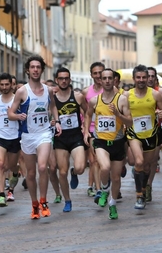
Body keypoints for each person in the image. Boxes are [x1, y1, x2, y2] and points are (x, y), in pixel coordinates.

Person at [8, 55, 62, 219]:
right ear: (27, 70)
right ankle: (34, 205)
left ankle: (44, 201)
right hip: (28, 136)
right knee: (31, 174)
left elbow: (52, 105)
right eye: (32, 67)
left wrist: (57, 121)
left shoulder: (48, 90)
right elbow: (10, 113)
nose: (35, 70)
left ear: (42, 70)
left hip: (44, 133)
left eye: (38, 67)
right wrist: (17, 117)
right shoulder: (22, 91)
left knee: (42, 167)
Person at [83, 68, 132, 219]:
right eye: (104, 78)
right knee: (104, 167)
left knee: (116, 178)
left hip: (118, 142)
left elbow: (130, 123)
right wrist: (86, 132)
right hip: (101, 141)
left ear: (114, 80)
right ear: (100, 80)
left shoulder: (121, 100)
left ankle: (112, 203)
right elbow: (87, 115)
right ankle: (104, 189)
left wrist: (118, 114)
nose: (107, 81)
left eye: (110, 78)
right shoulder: (94, 101)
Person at [123, 64, 162, 209]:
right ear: (134, 79)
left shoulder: (155, 95)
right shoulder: (127, 95)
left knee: (147, 167)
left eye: (144, 77)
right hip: (134, 133)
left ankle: (145, 188)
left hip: (151, 133)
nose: (141, 80)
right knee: (139, 162)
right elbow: (123, 113)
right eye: (138, 77)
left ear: (148, 78)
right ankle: (139, 196)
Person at [53, 67, 88, 212]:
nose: (63, 81)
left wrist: (85, 128)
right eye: (61, 78)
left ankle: (74, 173)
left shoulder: (78, 96)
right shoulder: (52, 98)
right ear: (57, 80)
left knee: (80, 167)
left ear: (70, 79)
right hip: (60, 139)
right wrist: (53, 122)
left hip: (76, 137)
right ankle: (67, 200)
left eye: (66, 78)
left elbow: (88, 112)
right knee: (62, 172)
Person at [0, 73, 20, 207]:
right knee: (0, 164)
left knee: (12, 167)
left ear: (12, 85)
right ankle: (1, 195)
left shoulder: (18, 100)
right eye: (2, 84)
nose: (5, 87)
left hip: (14, 137)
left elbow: (26, 115)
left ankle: (14, 177)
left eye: (7, 84)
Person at [82, 62, 105, 199]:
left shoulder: (112, 89)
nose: (98, 76)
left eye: (100, 73)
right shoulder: (86, 92)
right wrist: (85, 129)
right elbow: (85, 112)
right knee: (94, 160)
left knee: (106, 162)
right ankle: (98, 189)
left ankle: (105, 184)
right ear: (91, 75)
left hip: (109, 130)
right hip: (92, 129)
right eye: (95, 73)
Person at [145, 66, 162, 202]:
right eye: (148, 76)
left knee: (153, 160)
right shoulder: (135, 93)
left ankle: (148, 185)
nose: (150, 78)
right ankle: (141, 181)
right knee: (138, 161)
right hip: (139, 131)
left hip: (156, 129)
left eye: (153, 76)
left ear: (156, 78)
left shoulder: (161, 92)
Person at [44, 80, 63, 203]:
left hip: (63, 137)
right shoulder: (43, 103)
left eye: (55, 91)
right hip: (48, 137)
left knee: (62, 168)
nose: (54, 94)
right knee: (52, 168)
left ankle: (64, 187)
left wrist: (58, 121)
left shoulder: (63, 101)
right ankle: (57, 193)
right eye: (52, 92)